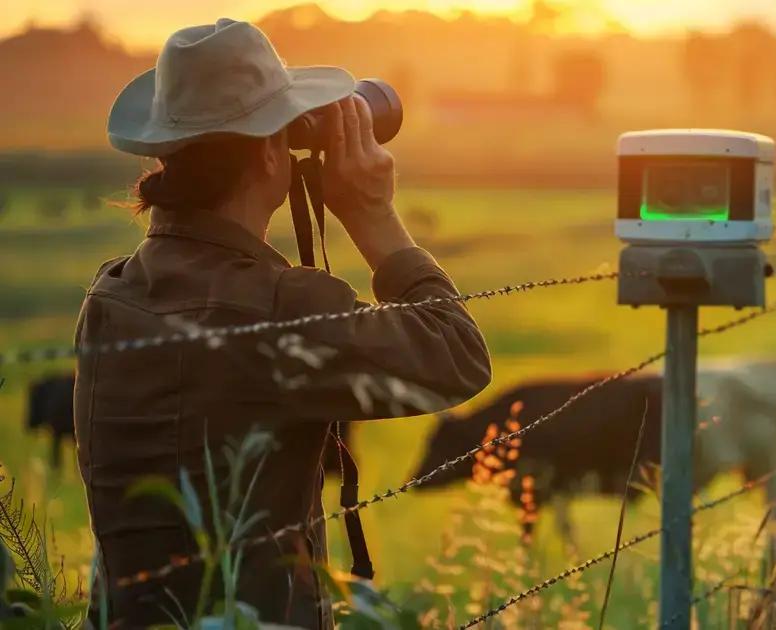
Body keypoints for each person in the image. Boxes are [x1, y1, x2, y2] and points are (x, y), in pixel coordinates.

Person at [75, 18, 491, 628]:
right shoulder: (278, 311)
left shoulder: (110, 295)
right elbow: (456, 357)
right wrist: (372, 215)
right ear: (272, 150)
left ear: (164, 151)